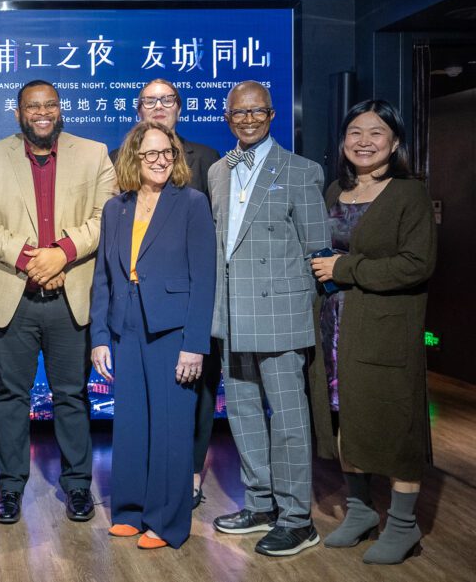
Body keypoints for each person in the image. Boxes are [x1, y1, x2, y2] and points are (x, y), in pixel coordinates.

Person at [0, 79, 116, 525]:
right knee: (10, 396)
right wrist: (33, 259)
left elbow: (103, 215)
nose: (42, 112)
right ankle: (9, 488)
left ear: (60, 109)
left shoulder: (94, 153)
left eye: (50, 104)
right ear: (19, 113)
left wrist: (62, 254)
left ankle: (76, 486)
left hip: (71, 296)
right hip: (12, 296)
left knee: (71, 396)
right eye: (33, 106)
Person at [308, 100, 436, 565]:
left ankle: (403, 525)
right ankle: (360, 510)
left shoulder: (409, 194)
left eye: (376, 133)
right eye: (354, 132)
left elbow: (417, 265)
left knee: (394, 423)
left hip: (385, 329)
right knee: (345, 420)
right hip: (333, 327)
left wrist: (347, 267)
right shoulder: (332, 191)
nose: (364, 141)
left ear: (395, 142)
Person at [208, 80, 330, 557]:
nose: (249, 119)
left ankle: (297, 517)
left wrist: (304, 310)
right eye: (239, 112)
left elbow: (317, 250)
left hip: (280, 314)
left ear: (273, 114)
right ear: (228, 117)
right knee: (241, 414)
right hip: (232, 315)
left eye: (257, 111)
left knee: (290, 420)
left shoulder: (301, 170)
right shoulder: (221, 170)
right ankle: (259, 504)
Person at [91, 121, 216, 549]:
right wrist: (100, 337)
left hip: (173, 331)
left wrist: (195, 344)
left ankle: (166, 522)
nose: (161, 161)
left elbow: (205, 279)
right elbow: (104, 277)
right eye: (151, 154)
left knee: (171, 429)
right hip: (125, 328)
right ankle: (129, 510)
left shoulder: (192, 203)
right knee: (129, 426)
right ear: (133, 159)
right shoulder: (116, 208)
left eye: (168, 153)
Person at [109, 78, 221, 508]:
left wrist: (197, 333)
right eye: (149, 101)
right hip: (133, 316)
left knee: (188, 406)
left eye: (167, 100)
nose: (158, 107)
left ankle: (186, 482)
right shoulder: (120, 178)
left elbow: (207, 251)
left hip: (180, 311)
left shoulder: (206, 162)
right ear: (138, 111)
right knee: (137, 415)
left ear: (179, 107)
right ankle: (142, 497)